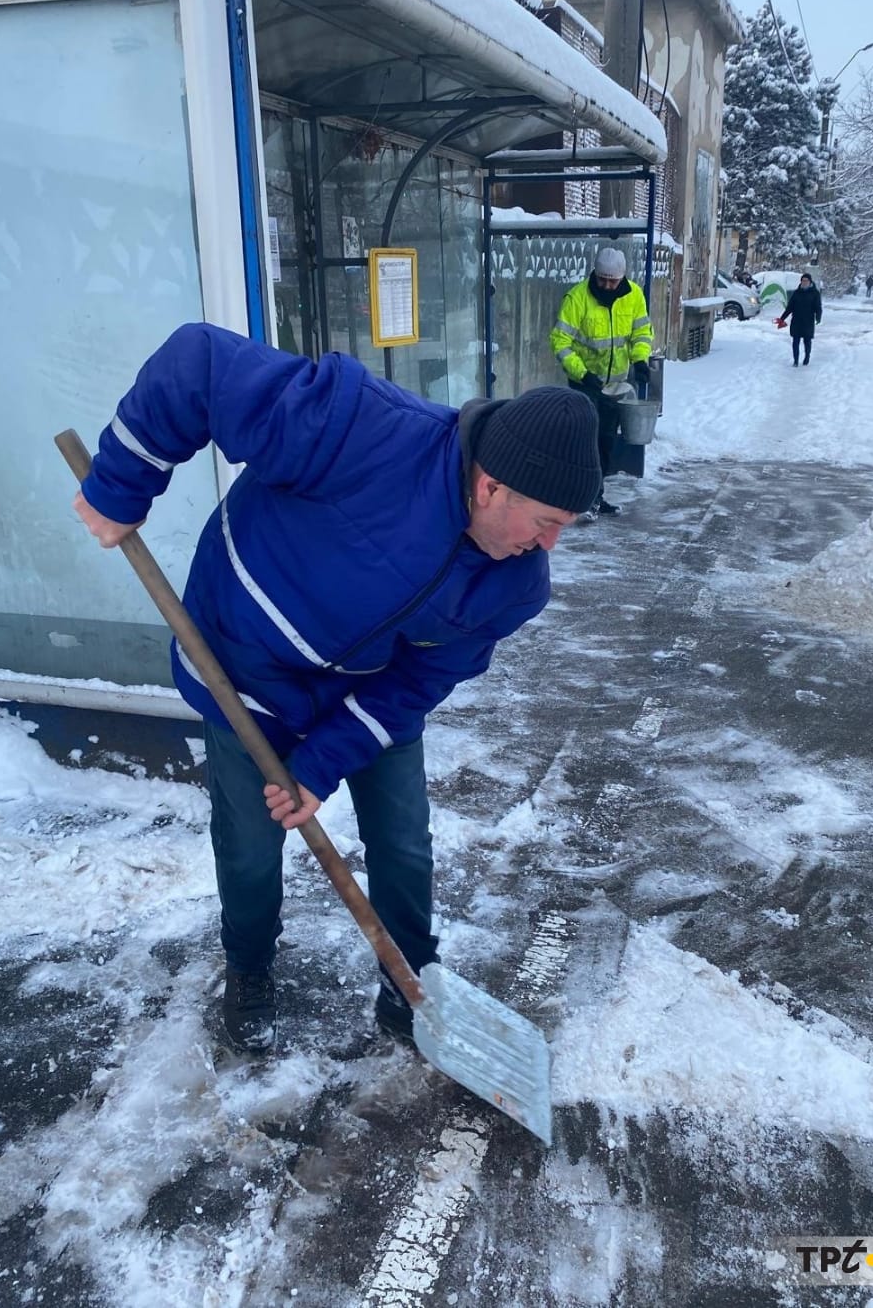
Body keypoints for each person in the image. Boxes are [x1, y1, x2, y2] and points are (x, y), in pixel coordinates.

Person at [72, 323, 601, 1051]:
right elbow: (198, 365)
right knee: (252, 847)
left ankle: (409, 983)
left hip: (367, 691)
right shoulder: (363, 430)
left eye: (563, 528)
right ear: (490, 485)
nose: (549, 547)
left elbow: (420, 681)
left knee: (405, 843)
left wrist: (320, 765)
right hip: (244, 671)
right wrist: (120, 486)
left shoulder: (515, 586)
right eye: (546, 523)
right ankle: (250, 967)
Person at [549, 247, 654, 517]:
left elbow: (641, 332)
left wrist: (640, 360)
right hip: (584, 383)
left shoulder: (634, 297)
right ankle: (584, 498)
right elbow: (560, 341)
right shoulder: (578, 298)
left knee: (605, 442)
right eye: (602, 279)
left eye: (613, 281)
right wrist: (582, 373)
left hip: (614, 386)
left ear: (622, 278)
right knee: (587, 441)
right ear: (595, 274)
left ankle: (597, 496)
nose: (607, 285)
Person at [776, 272, 823, 366]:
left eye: (806, 281)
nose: (804, 282)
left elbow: (818, 307)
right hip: (796, 321)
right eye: (803, 280)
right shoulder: (797, 293)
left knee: (807, 341)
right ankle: (796, 360)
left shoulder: (815, 293)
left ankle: (807, 357)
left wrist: (818, 317)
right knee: (795, 341)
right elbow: (790, 307)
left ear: (810, 282)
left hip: (808, 321)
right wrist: (782, 318)